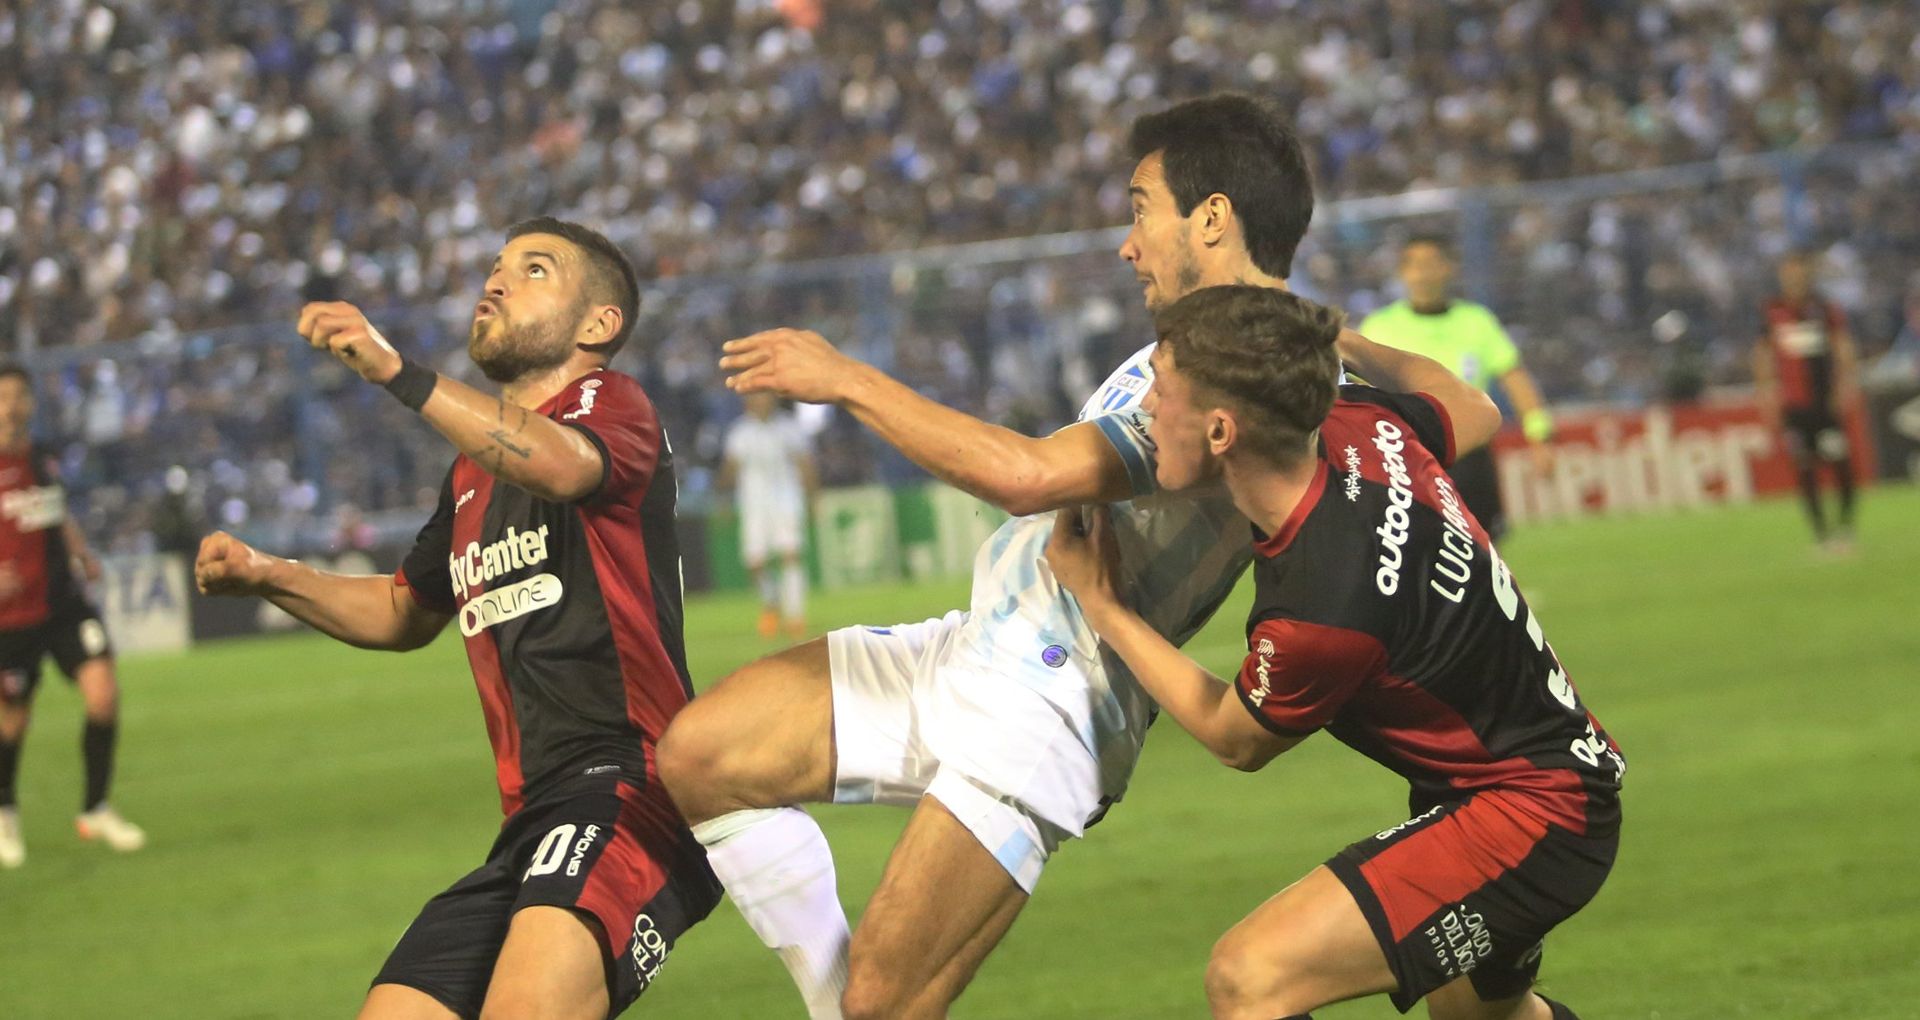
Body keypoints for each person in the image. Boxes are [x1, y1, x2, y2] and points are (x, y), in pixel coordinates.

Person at [655, 92, 1314, 1019]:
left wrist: (846, 379)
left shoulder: (1244, 377)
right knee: (702, 753)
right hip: (979, 642)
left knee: (884, 1001)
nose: (1127, 244)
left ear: (1211, 218)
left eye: (1139, 209)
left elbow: (1028, 477)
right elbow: (1463, 408)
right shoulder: (1209, 343)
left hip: (1052, 695)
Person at [1045, 284, 1624, 1020]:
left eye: (1159, 394)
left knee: (1251, 979)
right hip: (1521, 789)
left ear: (1221, 431)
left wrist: (1103, 606)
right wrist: (1328, 340)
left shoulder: (1324, 602)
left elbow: (1235, 737)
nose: (1144, 412)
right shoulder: (1359, 422)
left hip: (1529, 815)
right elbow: (1474, 406)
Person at [193, 217, 720, 1019]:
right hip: (530, 818)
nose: (496, 281)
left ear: (598, 325)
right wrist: (270, 575)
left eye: (533, 270)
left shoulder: (613, 405)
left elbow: (562, 463)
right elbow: (404, 609)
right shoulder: (471, 470)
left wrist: (400, 375)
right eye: (496, 266)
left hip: (633, 790)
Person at [0, 365, 146, 869]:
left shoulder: (41, 457)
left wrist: (81, 551)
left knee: (103, 694)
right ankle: (5, 811)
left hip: (63, 603)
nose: (13, 406)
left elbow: (56, 512)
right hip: (11, 617)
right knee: (12, 721)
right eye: (4, 397)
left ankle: (96, 807)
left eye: (20, 395)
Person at [1358, 235, 1555, 539]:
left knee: (1483, 552)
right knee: (1413, 558)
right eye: (1414, 265)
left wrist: (1539, 436)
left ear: (1448, 269)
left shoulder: (1476, 322)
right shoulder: (1378, 328)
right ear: (1402, 273)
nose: (1423, 274)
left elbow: (1514, 378)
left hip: (1470, 458)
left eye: (1431, 264)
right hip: (1405, 461)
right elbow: (1357, 396)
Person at [1753, 249, 1861, 551]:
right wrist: (1766, 394)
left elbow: (1842, 346)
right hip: (1794, 408)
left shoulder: (1824, 308)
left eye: (1799, 273)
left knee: (1839, 464)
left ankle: (1846, 527)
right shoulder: (1771, 310)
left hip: (1824, 404)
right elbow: (1762, 352)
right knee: (1803, 469)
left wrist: (1845, 383)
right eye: (1789, 273)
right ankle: (1822, 534)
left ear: (1808, 275)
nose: (1794, 278)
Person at [719, 392, 818, 638]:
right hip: (753, 503)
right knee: (755, 562)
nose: (761, 402)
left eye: (765, 398)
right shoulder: (740, 432)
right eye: (757, 399)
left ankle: (795, 616)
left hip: (786, 499)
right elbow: (731, 468)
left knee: (790, 555)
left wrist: (813, 497)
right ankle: (771, 601)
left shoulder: (789, 427)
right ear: (748, 403)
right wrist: (723, 499)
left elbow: (805, 463)